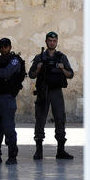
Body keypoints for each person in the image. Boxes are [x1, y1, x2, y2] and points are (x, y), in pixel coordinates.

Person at [29, 31, 74, 160]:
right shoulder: (39, 57)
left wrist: (62, 69)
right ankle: (39, 150)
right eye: (50, 40)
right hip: (43, 91)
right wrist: (38, 68)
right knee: (40, 120)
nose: (52, 43)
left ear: (57, 42)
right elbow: (31, 75)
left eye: (54, 41)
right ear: (46, 41)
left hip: (56, 92)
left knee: (60, 119)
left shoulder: (62, 57)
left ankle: (61, 150)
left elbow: (70, 75)